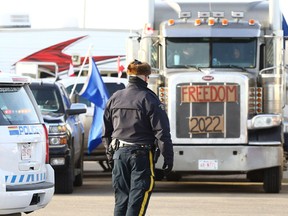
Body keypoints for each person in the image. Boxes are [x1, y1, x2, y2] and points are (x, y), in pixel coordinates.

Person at [102, 59, 174, 216]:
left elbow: (106, 131)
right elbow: (162, 131)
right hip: (141, 155)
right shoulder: (149, 98)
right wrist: (168, 158)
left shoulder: (115, 97)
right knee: (137, 202)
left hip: (118, 154)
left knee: (121, 201)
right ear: (146, 77)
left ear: (129, 75)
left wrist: (110, 155)